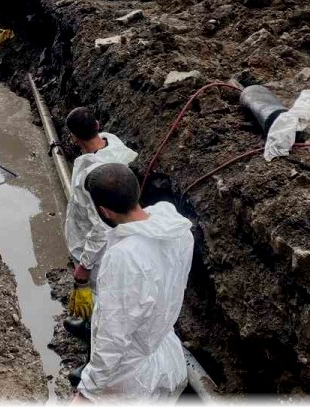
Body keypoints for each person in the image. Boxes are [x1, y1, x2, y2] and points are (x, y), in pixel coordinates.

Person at [72, 162, 193, 402]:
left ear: (104, 212)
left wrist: (88, 391)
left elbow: (113, 336)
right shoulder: (178, 230)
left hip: (130, 377)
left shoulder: (124, 257)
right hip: (163, 350)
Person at [62, 107, 138, 339]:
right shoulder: (113, 144)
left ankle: (96, 334)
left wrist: (85, 266)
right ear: (97, 124)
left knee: (99, 289)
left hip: (98, 249)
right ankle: (93, 322)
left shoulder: (93, 178)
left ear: (74, 138)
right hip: (120, 237)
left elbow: (100, 228)